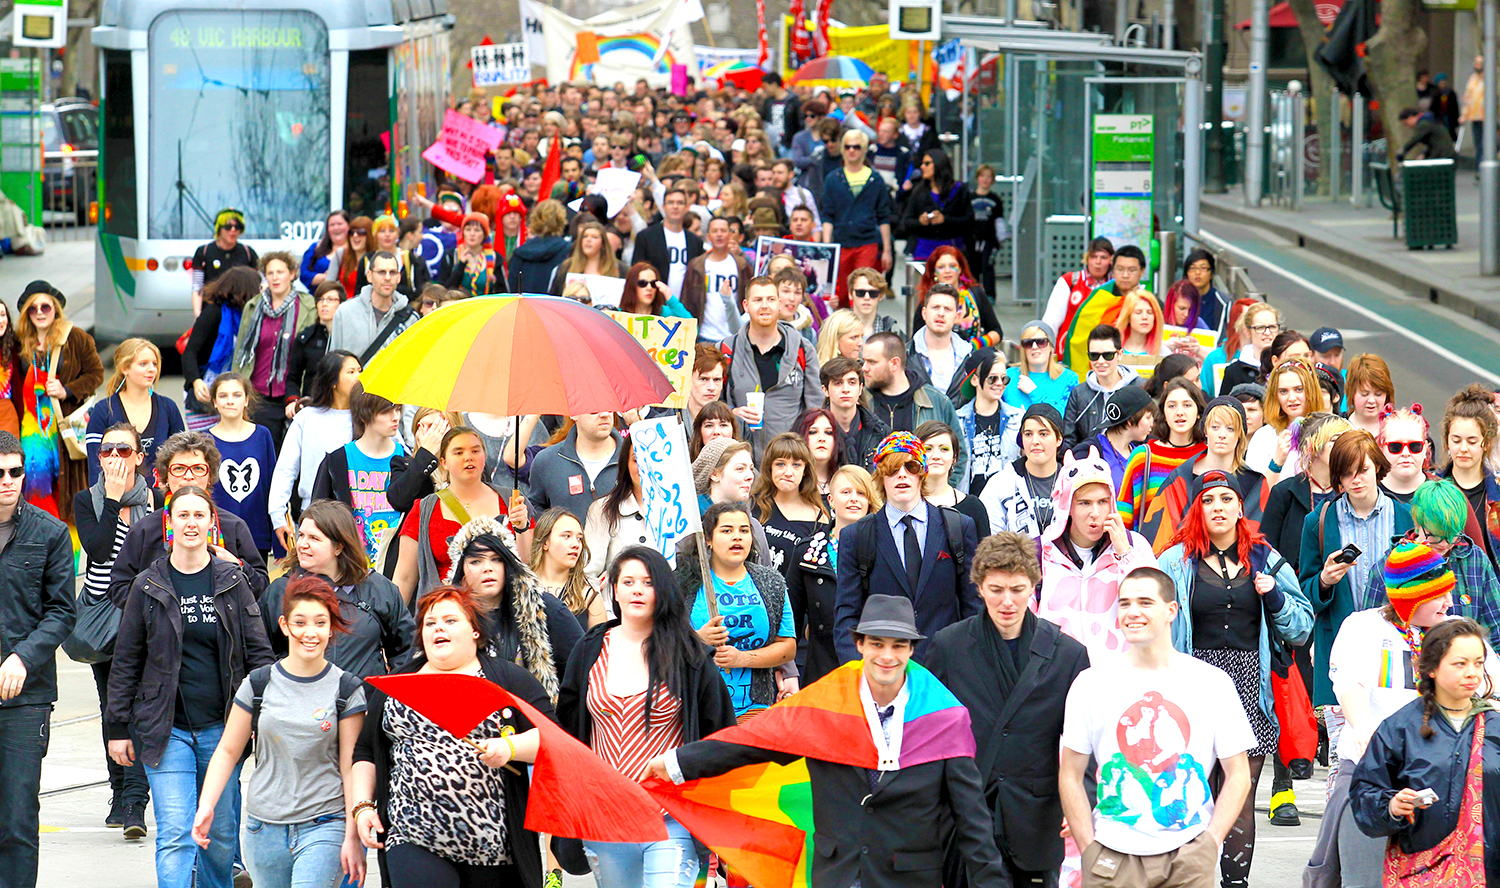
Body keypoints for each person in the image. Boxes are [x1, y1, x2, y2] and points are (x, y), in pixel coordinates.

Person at [647, 590, 1009, 888]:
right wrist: (677, 763)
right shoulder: (826, 704)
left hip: (909, 878)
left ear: (911, 651)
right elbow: (752, 741)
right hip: (837, 874)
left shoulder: (943, 718)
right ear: (860, 645)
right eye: (877, 644)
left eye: (898, 646)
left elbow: (972, 818)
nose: (887, 655)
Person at [106, 485, 276, 888]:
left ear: (212, 523)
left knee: (218, 836)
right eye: (183, 515)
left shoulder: (231, 581)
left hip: (223, 729)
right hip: (166, 730)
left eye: (199, 515)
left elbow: (260, 655)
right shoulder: (148, 585)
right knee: (177, 834)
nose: (191, 523)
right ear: (169, 523)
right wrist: (117, 728)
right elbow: (126, 659)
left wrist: (263, 717)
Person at [1158, 471, 1314, 888]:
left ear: (1240, 506)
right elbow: (1150, 623)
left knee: (1239, 798)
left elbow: (1302, 627)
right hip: (1192, 685)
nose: (1218, 508)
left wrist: (1275, 597)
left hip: (1249, 686)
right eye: (1208, 501)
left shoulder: (1265, 558)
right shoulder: (1174, 562)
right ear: (1197, 509)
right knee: (1189, 797)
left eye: (1227, 498)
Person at [1059, 567, 1255, 888]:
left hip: (1188, 855)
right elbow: (1070, 773)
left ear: (1171, 611)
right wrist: (1089, 848)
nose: (1132, 612)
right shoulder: (1091, 683)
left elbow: (1238, 774)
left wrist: (1209, 845)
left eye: (1145, 602)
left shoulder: (1212, 682)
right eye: (1124, 603)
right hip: (1111, 855)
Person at [557, 546, 737, 888]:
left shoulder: (690, 654)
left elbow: (719, 732)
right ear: (613, 588)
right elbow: (567, 728)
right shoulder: (589, 649)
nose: (637, 589)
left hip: (670, 814)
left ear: (662, 591)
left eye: (648, 582)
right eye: (628, 581)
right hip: (605, 815)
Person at [351, 585, 552, 888]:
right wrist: (363, 806)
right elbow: (365, 751)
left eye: (450, 621)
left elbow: (552, 740)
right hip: (412, 834)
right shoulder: (395, 685)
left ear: (475, 631)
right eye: (430, 623)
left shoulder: (508, 680)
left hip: (493, 847)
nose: (438, 629)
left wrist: (510, 747)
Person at [926, 532, 1092, 888]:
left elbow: (1085, 738)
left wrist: (1084, 798)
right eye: (996, 589)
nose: (1007, 601)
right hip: (965, 815)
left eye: (1017, 589)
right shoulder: (948, 646)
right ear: (979, 587)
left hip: (1037, 816)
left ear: (1034, 585)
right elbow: (928, 735)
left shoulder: (1069, 654)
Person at [1314, 548, 1487, 885]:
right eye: (1439, 595)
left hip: (1440, 775)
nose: (1449, 603)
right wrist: (1364, 728)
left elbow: (1488, 685)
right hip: (1374, 772)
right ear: (1410, 596)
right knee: (1364, 879)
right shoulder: (1363, 626)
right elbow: (1350, 682)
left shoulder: (1456, 632)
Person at [191, 575, 368, 888]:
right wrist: (207, 806)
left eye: (320, 623)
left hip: (325, 823)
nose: (310, 633)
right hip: (264, 828)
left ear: (331, 628)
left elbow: (350, 767)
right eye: (300, 622)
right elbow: (228, 751)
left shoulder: (346, 690)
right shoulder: (258, 685)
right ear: (285, 625)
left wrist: (353, 835)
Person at [1348, 615, 1500, 884]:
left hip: (1490, 872)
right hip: (1420, 869)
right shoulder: (1400, 728)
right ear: (1432, 668)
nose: (1472, 673)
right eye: (1460, 664)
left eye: (1478, 663)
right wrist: (1392, 806)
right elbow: (1365, 793)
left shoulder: (1495, 726)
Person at [1301, 429, 1415, 769]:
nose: (1356, 480)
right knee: (1345, 761)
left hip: (1395, 648)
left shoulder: (1405, 515)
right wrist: (1324, 580)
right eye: (1347, 473)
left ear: (1377, 468)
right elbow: (1305, 591)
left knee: (1399, 758)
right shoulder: (1318, 521)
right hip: (1341, 649)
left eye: (1362, 470)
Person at [0, 430, 76, 888]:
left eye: (15, 472)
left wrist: (22, 658)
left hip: (26, 700)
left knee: (17, 819)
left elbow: (63, 611)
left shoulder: (49, 533)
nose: (7, 481)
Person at [833, 432, 980, 662]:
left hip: (945, 669)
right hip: (883, 669)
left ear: (922, 473)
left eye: (911, 467)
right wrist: (859, 674)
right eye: (892, 468)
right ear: (881, 476)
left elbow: (974, 607)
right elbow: (847, 616)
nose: (902, 474)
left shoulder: (958, 526)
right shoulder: (857, 536)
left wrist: (968, 666)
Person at [74, 422, 154, 839]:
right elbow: (100, 549)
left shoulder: (156, 502)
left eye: (124, 450)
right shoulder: (87, 501)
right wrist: (113, 501)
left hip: (141, 615)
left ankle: (135, 802)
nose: (114, 458)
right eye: (107, 451)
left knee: (139, 703)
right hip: (102, 617)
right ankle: (119, 790)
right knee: (112, 706)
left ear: (140, 457)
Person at [106, 431, 271, 607]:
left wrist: (237, 565)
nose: (189, 476)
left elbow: (261, 586)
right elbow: (118, 587)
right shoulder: (145, 529)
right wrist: (156, 606)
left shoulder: (233, 526)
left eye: (198, 468)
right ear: (165, 477)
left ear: (210, 477)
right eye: (179, 469)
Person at [261, 500, 413, 679]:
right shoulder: (280, 591)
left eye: (314, 538)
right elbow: (259, 651)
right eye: (301, 535)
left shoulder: (379, 588)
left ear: (339, 547)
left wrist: (386, 695)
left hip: (365, 702)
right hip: (299, 701)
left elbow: (406, 649)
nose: (302, 544)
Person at [677, 500, 796, 720]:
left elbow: (787, 648)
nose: (737, 537)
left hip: (754, 710)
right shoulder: (683, 584)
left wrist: (742, 659)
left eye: (744, 530)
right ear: (708, 540)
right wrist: (698, 639)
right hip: (700, 710)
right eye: (726, 530)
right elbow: (660, 642)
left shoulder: (772, 583)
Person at [1036, 447, 1159, 657]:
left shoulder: (1135, 545)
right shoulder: (1038, 553)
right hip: (1057, 679)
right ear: (1067, 506)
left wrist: (1125, 555)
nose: (1095, 513)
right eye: (1084, 503)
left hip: (1117, 677)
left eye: (1102, 502)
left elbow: (1155, 606)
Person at [447, 517, 584, 701]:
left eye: (496, 559)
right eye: (476, 561)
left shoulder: (544, 608)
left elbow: (583, 668)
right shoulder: (445, 616)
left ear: (509, 564)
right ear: (461, 569)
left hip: (536, 720)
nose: (487, 568)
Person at [394, 427, 532, 606]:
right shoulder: (424, 509)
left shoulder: (513, 502)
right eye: (458, 452)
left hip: (504, 612)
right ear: (443, 462)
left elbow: (526, 565)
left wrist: (521, 527)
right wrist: (391, 625)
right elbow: (404, 577)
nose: (469, 457)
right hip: (445, 614)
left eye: (475, 450)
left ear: (484, 457)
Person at [1368, 479, 1500, 652]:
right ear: (1418, 524)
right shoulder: (1386, 569)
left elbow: (1496, 633)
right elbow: (1371, 635)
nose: (1445, 544)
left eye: (1453, 535)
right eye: (1436, 535)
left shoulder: (1475, 560)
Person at [17, 280, 104, 521]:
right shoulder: (21, 342)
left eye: (45, 306)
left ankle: (70, 557)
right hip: (33, 432)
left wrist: (67, 390)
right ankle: (44, 549)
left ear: (56, 308)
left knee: (69, 497)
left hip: (66, 431)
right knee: (37, 490)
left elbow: (96, 374)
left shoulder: (75, 338)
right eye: (33, 309)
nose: (40, 313)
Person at [1139, 396, 1268, 554]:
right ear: (1205, 430)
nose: (1222, 435)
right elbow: (1160, 538)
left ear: (1240, 434)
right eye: (1215, 427)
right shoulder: (1180, 479)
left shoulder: (1255, 483)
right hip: (1186, 567)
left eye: (1230, 428)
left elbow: (1260, 541)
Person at [788, 464, 878, 686]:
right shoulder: (807, 552)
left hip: (871, 663)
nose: (854, 499)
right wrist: (788, 669)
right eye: (846, 492)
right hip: (821, 665)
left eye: (861, 493)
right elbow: (791, 619)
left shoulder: (884, 549)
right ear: (830, 500)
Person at [720, 277, 822, 461]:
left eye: (771, 299)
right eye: (758, 300)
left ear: (780, 304)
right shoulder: (727, 350)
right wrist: (731, 413)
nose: (765, 306)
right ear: (746, 305)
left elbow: (815, 411)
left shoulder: (803, 349)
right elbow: (709, 404)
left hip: (788, 460)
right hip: (739, 460)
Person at [268, 350, 359, 547]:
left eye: (360, 370)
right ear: (333, 380)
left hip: (361, 516)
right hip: (314, 514)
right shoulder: (307, 418)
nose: (358, 377)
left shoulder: (366, 416)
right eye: (351, 372)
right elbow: (286, 469)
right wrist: (278, 515)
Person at [232, 252, 317, 445]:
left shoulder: (307, 305)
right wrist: (237, 387)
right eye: (270, 273)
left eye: (280, 272)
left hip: (294, 393)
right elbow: (240, 352)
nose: (275, 277)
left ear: (292, 274)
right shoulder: (253, 306)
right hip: (258, 393)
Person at [860, 331, 966, 476]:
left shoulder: (936, 401)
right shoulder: (861, 401)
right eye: (864, 361)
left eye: (872, 362)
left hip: (924, 496)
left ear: (894, 363)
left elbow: (959, 456)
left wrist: (936, 494)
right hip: (872, 496)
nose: (864, 368)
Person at [85, 338, 185, 483]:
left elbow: (181, 459)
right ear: (125, 368)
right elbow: (95, 468)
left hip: (160, 500)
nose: (151, 369)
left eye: (154, 364)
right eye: (143, 364)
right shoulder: (103, 410)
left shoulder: (168, 407)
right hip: (117, 498)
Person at [1117, 378, 1207, 532]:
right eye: (1171, 406)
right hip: (1149, 552)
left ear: (1198, 412)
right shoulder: (1144, 457)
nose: (1179, 412)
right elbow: (1124, 513)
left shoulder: (1208, 455)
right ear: (1164, 413)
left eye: (1187, 405)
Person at [204, 374, 277, 557]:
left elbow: (272, 487)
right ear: (214, 402)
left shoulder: (262, 435)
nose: (230, 401)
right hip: (216, 536)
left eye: (236, 395)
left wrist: (277, 539)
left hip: (257, 533)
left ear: (246, 400)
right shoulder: (204, 440)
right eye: (223, 396)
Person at [821, 129, 894, 305]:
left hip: (867, 242)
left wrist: (887, 250)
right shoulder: (833, 178)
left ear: (864, 150)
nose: (852, 150)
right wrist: (826, 247)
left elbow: (883, 216)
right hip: (841, 243)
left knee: (863, 289)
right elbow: (827, 215)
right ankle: (841, 330)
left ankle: (863, 329)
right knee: (842, 294)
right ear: (842, 149)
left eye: (856, 147)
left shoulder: (875, 179)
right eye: (847, 147)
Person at [978, 404, 1066, 541]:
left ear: (1059, 439)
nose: (1035, 441)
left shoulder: (1074, 481)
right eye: (1028, 434)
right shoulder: (1000, 483)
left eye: (1043, 434)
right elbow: (990, 541)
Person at [1058, 246, 1150, 373]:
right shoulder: (1099, 297)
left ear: (1142, 271)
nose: (1125, 275)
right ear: (1113, 269)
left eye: (1131, 270)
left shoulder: (1149, 302)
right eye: (1120, 269)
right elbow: (1079, 340)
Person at [750, 432, 830, 578]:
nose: (788, 472)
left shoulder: (819, 518)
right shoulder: (752, 505)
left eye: (796, 465)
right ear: (770, 467)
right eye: (780, 464)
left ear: (805, 470)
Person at [1440, 384, 1500, 570]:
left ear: (1486, 442)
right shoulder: (1431, 488)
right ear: (1447, 440)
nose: (1463, 448)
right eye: (1456, 440)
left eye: (1472, 441)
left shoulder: (1497, 493)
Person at [527, 412, 621, 522]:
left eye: (609, 407)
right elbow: (536, 509)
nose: (604, 414)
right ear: (574, 414)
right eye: (594, 409)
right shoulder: (547, 461)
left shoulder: (634, 457)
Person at [953, 348, 1024, 494]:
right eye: (992, 378)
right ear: (974, 380)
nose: (999, 383)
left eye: (1004, 379)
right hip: (967, 505)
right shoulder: (956, 420)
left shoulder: (1018, 417)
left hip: (1006, 505)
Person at [1061, 324, 1143, 450]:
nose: (1100, 361)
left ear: (1120, 354)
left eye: (1107, 355)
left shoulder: (1140, 388)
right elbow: (1069, 439)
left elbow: (1151, 433)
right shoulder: (1079, 393)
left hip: (1132, 461)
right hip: (1090, 463)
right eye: (1094, 355)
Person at [1246, 357, 1326, 483]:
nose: (1292, 398)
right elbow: (1257, 494)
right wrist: (1277, 461)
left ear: (1311, 391)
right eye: (1283, 391)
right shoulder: (1264, 436)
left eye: (1299, 389)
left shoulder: (1332, 429)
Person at [328, 251, 416, 364]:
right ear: (369, 276)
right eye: (381, 272)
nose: (388, 277)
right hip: (355, 381)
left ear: (399, 277)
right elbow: (331, 364)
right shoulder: (345, 313)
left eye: (392, 272)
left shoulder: (410, 318)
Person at [530, 507, 605, 630]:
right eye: (566, 536)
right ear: (545, 542)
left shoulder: (589, 597)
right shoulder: (520, 587)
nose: (576, 544)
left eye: (579, 538)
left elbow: (598, 647)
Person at [912, 247, 1001, 345]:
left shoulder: (976, 293)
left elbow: (996, 331)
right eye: (941, 267)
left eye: (952, 266)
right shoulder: (927, 300)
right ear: (934, 272)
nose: (947, 271)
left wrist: (975, 345)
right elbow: (916, 340)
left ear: (960, 269)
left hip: (973, 356)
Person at [681, 216, 750, 342]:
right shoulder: (696, 266)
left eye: (723, 231)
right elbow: (686, 301)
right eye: (714, 231)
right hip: (704, 335)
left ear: (730, 234)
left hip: (733, 337)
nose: (719, 234)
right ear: (707, 236)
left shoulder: (742, 265)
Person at [915, 420, 990, 536]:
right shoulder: (904, 504)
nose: (936, 456)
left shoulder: (973, 507)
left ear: (954, 457)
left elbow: (986, 552)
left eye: (944, 449)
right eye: (928, 449)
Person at [899, 148, 973, 262]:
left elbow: (969, 221)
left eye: (927, 163)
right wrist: (920, 221)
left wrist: (945, 220)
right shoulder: (918, 191)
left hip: (953, 249)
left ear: (939, 164)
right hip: (923, 250)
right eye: (922, 163)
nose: (922, 167)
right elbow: (906, 222)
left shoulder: (959, 190)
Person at [636, 186, 704, 303]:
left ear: (686, 208)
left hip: (685, 304)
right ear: (663, 207)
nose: (675, 206)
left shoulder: (695, 241)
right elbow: (637, 271)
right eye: (671, 202)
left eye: (680, 203)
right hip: (655, 302)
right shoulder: (646, 236)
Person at [820, 355, 889, 471]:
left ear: (860, 388)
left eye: (852, 382)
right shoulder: (812, 432)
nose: (845, 389)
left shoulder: (880, 432)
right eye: (838, 383)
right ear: (825, 390)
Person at [191, 208, 259, 317]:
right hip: (211, 309)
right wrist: (198, 314)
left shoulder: (248, 252)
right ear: (219, 229)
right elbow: (197, 286)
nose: (233, 230)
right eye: (228, 227)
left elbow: (261, 283)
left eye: (237, 227)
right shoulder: (204, 251)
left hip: (241, 311)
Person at [1042, 237, 1113, 339]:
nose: (1098, 262)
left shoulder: (1116, 285)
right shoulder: (1069, 281)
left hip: (1104, 348)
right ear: (1087, 259)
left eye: (1103, 257)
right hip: (1069, 348)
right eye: (1093, 257)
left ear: (1111, 260)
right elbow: (1052, 320)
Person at [907, 284, 974, 394]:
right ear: (924, 313)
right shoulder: (905, 356)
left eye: (947, 309)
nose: (941, 313)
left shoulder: (970, 357)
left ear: (956, 317)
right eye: (935, 307)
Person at [1004, 320, 1079, 416]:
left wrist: (1035, 393)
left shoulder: (1069, 378)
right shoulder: (1008, 376)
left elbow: (1066, 417)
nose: (1034, 347)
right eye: (1028, 343)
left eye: (1041, 342)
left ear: (1051, 346)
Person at [286, 282, 340, 411]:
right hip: (312, 403)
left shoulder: (351, 335)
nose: (324, 304)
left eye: (330, 299)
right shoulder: (306, 337)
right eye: (320, 299)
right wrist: (293, 400)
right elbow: (293, 376)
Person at [1219, 304, 1284, 394]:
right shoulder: (1234, 371)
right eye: (1260, 328)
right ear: (1247, 331)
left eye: (1272, 327)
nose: (1268, 332)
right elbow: (1224, 406)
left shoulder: (1287, 365)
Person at [437, 212, 503, 297]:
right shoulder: (450, 256)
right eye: (468, 229)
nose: (472, 234)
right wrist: (461, 265)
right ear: (463, 233)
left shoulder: (495, 258)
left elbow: (502, 292)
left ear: (484, 234)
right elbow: (445, 290)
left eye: (477, 230)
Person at [550, 220, 620, 297]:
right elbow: (555, 296)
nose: (588, 240)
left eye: (594, 237)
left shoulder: (617, 268)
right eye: (585, 236)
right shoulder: (566, 267)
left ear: (603, 244)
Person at [1378, 405, 1430, 502]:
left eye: (1414, 446)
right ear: (1382, 449)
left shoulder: (1446, 494)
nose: (1405, 453)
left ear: (1425, 448)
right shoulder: (1364, 492)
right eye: (1395, 447)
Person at [1345, 354, 1395, 437]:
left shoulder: (1398, 428)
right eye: (1364, 394)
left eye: (1378, 394)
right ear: (1352, 393)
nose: (1371, 400)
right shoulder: (1338, 427)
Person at [300, 210, 350, 290]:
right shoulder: (316, 248)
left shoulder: (355, 250)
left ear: (348, 226)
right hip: (318, 297)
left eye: (340, 224)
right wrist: (326, 277)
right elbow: (303, 274)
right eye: (332, 225)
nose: (336, 228)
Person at [846, 268, 901, 340]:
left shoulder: (892, 331)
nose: (867, 297)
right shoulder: (837, 329)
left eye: (873, 293)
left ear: (880, 296)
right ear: (850, 294)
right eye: (860, 292)